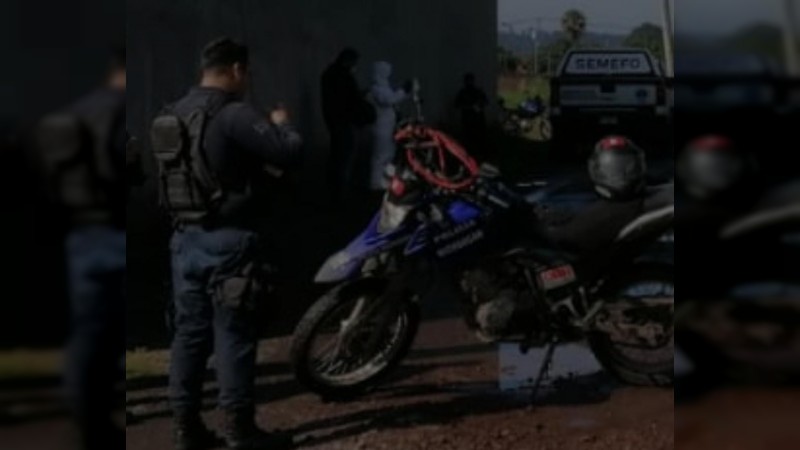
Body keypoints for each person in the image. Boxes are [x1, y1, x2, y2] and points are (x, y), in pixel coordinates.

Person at [153, 38, 302, 450]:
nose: (247, 80)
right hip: (231, 240)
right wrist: (283, 123)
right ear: (236, 69)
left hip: (184, 240)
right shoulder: (235, 113)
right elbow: (288, 153)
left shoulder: (173, 112)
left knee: (189, 335)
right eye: (246, 73)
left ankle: (186, 427)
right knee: (234, 333)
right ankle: (240, 429)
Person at [35, 47, 127, 450]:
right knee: (111, 332)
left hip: (81, 232)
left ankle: (86, 419)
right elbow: (117, 168)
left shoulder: (75, 110)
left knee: (88, 331)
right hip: (115, 231)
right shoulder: (117, 111)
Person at [321, 48, 364, 201]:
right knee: (345, 157)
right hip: (344, 121)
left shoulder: (328, 75)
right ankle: (341, 194)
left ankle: (333, 190)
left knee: (336, 155)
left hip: (333, 120)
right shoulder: (345, 77)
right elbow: (351, 100)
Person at [368, 61, 411, 191]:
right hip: (381, 128)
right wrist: (403, 90)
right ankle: (375, 183)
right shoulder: (377, 89)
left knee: (388, 155)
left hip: (388, 127)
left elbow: (393, 100)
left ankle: (383, 181)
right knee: (380, 157)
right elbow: (389, 100)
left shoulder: (383, 88)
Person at [454, 73, 488, 156]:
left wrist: (479, 106)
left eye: (471, 80)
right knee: (469, 139)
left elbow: (485, 102)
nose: (469, 82)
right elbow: (457, 105)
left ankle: (480, 153)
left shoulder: (478, 91)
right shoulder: (462, 93)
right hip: (468, 120)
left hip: (478, 120)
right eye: (468, 81)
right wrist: (470, 107)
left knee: (479, 139)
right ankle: (469, 154)